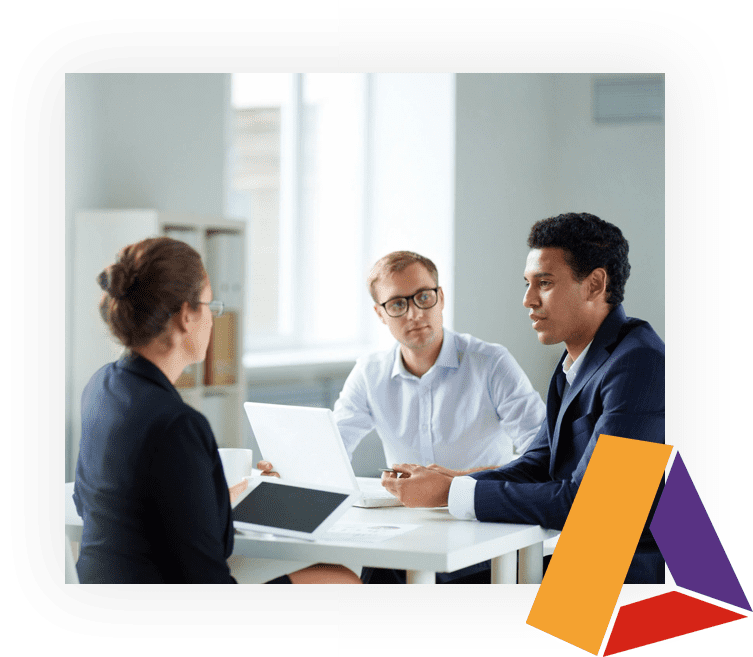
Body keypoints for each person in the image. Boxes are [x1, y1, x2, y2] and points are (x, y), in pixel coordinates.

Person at [382, 213, 665, 584]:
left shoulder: (640, 363)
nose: (528, 299)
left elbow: (596, 507)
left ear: (595, 284)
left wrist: (452, 492)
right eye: (528, 284)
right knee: (395, 571)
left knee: (438, 587)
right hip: (591, 549)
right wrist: (451, 481)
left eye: (544, 283)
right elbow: (537, 463)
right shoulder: (577, 360)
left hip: (635, 570)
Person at [73, 236, 361, 584]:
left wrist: (217, 499)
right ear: (186, 316)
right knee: (340, 577)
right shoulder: (177, 424)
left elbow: (95, 503)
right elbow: (206, 568)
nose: (213, 319)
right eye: (211, 306)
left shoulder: (101, 387)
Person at [259, 250, 546, 583]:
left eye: (424, 297)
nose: (414, 314)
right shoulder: (371, 372)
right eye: (397, 304)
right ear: (380, 314)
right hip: (402, 536)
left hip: (480, 533)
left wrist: (454, 481)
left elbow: (541, 457)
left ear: (440, 298)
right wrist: (289, 468)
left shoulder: (490, 362)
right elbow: (333, 448)